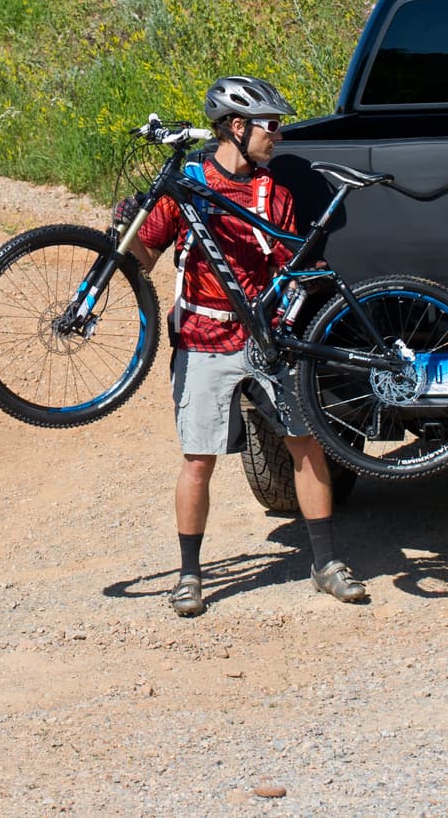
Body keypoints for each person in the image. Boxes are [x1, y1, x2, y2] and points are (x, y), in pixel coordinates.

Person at [130, 76, 370, 617]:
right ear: (237, 127)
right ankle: (189, 576)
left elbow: (289, 269)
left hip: (268, 338)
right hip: (202, 338)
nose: (278, 136)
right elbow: (141, 258)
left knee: (305, 445)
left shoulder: (274, 193)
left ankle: (326, 564)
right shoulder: (188, 183)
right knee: (198, 460)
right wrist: (125, 227)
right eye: (272, 125)